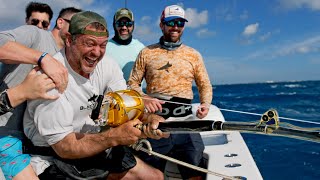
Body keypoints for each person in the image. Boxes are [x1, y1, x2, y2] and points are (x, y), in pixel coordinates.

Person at [23, 11, 165, 179]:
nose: (97, 53)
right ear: (69, 40)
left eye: (103, 45)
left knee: (156, 177)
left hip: (94, 144)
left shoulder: (107, 64)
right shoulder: (48, 80)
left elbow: (125, 104)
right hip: (54, 157)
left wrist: (149, 119)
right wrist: (114, 137)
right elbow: (65, 147)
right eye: (89, 44)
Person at [128, 5, 213, 180]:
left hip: (185, 123)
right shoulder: (146, 53)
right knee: (150, 174)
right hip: (155, 125)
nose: (175, 26)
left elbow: (204, 84)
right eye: (170, 22)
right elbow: (132, 84)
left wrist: (205, 103)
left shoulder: (193, 55)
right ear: (161, 24)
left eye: (180, 22)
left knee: (195, 171)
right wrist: (144, 98)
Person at [0, 7, 79, 180]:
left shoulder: (69, 56)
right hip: (6, 132)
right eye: (77, 25)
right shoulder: (36, 34)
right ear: (60, 23)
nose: (80, 30)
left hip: (34, 140)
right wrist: (43, 58)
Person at [106, 8, 145, 81]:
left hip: (135, 92)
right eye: (120, 23)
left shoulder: (142, 49)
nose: (124, 27)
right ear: (114, 25)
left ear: (133, 25)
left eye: (128, 24)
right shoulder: (104, 47)